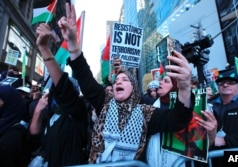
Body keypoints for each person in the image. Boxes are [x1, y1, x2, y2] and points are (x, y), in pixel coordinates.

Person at [58, 3, 195, 164]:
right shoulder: (105, 104)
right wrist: (73, 43)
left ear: (135, 88)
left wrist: (184, 87)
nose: (118, 82)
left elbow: (178, 119)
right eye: (117, 80)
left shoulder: (146, 114)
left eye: (125, 79)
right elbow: (85, 78)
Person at [30, 19, 91, 166]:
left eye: (59, 92)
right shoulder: (51, 112)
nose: (57, 95)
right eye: (54, 92)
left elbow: (64, 89)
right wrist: (38, 112)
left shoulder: (78, 113)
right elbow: (34, 137)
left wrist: (45, 49)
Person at [209, 68, 238, 166]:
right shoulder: (208, 105)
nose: (225, 85)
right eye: (221, 82)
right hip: (212, 160)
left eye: (231, 82)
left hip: (237, 159)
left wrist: (224, 140)